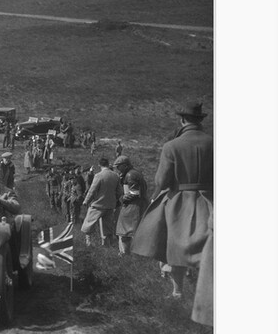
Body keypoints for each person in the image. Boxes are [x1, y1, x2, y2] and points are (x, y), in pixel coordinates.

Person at [132, 102, 213, 300]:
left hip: (179, 202)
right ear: (200, 119)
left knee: (175, 246)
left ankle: (177, 291)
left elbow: (161, 181)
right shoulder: (214, 143)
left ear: (182, 120)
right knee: (209, 247)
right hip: (210, 200)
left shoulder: (171, 146)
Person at [80, 157, 121, 246]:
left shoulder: (99, 175)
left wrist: (86, 201)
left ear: (99, 165)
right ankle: (106, 244)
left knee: (88, 223)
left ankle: (89, 242)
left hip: (98, 205)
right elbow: (119, 192)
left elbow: (92, 190)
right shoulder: (115, 176)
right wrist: (114, 199)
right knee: (107, 226)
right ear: (108, 164)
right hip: (110, 205)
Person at [113, 155, 148, 256]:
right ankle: (131, 254)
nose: (117, 169)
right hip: (137, 205)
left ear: (124, 165)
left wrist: (122, 198)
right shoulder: (132, 173)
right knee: (129, 232)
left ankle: (126, 254)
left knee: (125, 232)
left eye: (118, 166)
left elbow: (134, 193)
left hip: (133, 206)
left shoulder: (130, 175)